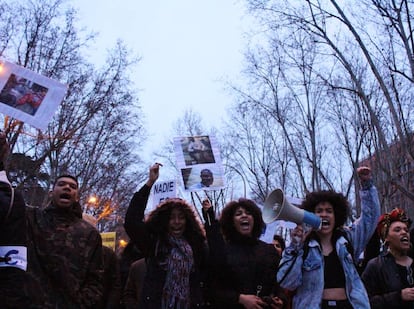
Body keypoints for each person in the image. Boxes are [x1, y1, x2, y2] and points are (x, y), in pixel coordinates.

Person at [277, 166, 380, 309]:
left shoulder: (348, 240)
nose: (324, 214)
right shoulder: (304, 246)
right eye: (318, 211)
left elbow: (370, 219)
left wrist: (367, 186)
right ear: (311, 216)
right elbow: (287, 282)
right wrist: (295, 245)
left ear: (336, 215)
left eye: (329, 211)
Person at [124, 163, 209, 308]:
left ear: (187, 221)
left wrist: (210, 217)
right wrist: (149, 184)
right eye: (171, 218)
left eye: (181, 217)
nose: (176, 222)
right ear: (164, 221)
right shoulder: (154, 243)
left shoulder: (197, 246)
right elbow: (131, 221)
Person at [202, 198, 287, 308]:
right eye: (238, 214)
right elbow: (211, 290)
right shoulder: (222, 251)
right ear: (231, 222)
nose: (244, 216)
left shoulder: (268, 251)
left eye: (248, 213)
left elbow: (276, 284)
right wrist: (240, 299)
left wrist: (280, 300)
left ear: (255, 219)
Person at [361, 208, 414, 308]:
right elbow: (364, 301)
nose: (404, 232)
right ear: (386, 238)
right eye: (397, 230)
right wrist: (398, 296)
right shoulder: (375, 266)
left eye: (406, 230)